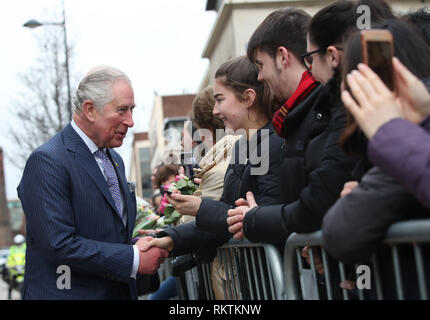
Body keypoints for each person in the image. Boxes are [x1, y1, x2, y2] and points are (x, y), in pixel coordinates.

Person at [227, 1, 394, 244]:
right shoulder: (311, 113)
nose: (259, 77)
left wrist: (256, 218)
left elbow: (322, 200)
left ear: (333, 56)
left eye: (312, 58)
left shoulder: (334, 110)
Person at [17, 66, 168, 300]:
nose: (130, 121)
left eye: (132, 110)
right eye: (121, 110)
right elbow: (59, 244)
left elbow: (107, 233)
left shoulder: (114, 159)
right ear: (90, 110)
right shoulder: (47, 161)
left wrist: (136, 245)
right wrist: (134, 258)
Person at [141, 55, 283, 261]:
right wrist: (169, 239)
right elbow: (227, 217)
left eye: (220, 100)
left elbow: (270, 221)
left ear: (248, 98)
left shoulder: (273, 145)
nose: (216, 111)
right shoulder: (242, 147)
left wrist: (201, 208)